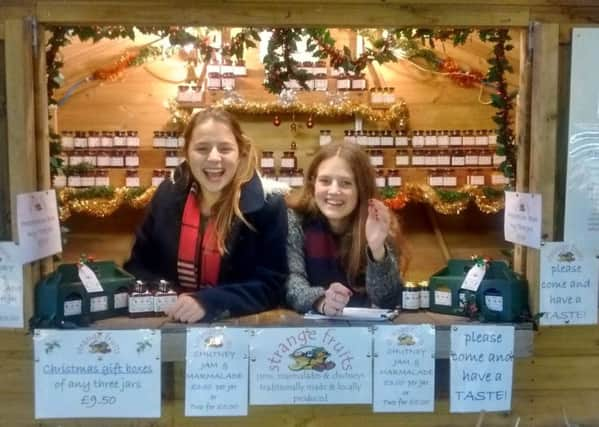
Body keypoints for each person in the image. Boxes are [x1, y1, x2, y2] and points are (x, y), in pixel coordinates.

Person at [124, 109, 288, 323]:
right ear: (187, 153)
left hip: (240, 328)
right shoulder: (166, 196)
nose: (213, 158)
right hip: (170, 320)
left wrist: (208, 302)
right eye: (202, 148)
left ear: (241, 152)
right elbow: (138, 266)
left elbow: (271, 285)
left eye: (225, 149)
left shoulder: (268, 205)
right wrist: (172, 297)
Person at [285, 142, 406, 316]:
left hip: (363, 331)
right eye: (325, 181)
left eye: (346, 183)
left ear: (361, 189)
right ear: (313, 184)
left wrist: (377, 250)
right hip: (307, 331)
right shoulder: (296, 220)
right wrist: (321, 300)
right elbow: (292, 282)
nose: (334, 191)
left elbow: (388, 299)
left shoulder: (378, 222)